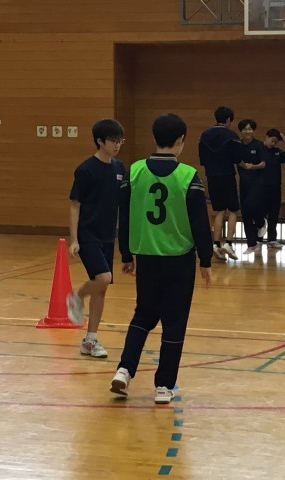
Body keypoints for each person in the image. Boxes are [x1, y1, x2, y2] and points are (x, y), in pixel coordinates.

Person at [112, 113, 213, 403]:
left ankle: (124, 369)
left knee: (143, 314)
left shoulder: (135, 171)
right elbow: (200, 222)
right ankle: (163, 386)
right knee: (174, 321)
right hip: (179, 259)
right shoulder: (188, 176)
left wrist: (126, 253)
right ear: (181, 139)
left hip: (147, 257)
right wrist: (206, 260)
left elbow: (124, 215)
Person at [67, 118, 127, 358]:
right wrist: (74, 239)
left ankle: (90, 341)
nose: (117, 145)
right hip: (88, 235)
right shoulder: (86, 170)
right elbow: (75, 205)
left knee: (101, 289)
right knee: (103, 278)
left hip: (107, 235)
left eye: (120, 140)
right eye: (113, 140)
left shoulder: (120, 168)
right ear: (100, 141)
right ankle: (76, 296)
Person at [199, 106, 241, 261]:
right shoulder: (231, 135)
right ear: (229, 119)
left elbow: (202, 158)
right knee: (234, 210)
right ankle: (228, 243)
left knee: (219, 210)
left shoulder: (205, 135)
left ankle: (216, 244)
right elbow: (237, 158)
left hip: (211, 176)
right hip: (227, 175)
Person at [237, 119, 267, 255]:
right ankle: (251, 244)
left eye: (249, 129)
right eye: (245, 129)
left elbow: (263, 164)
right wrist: (243, 165)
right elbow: (236, 160)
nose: (247, 131)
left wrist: (252, 166)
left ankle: (261, 222)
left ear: (253, 130)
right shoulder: (238, 145)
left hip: (258, 182)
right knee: (245, 213)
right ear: (241, 131)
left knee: (250, 205)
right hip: (244, 182)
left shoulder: (259, 145)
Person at [262, 129, 285, 249]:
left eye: (276, 142)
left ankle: (272, 239)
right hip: (262, 187)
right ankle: (258, 239)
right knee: (260, 213)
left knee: (274, 214)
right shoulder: (260, 150)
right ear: (266, 137)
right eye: (272, 141)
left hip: (275, 187)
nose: (273, 144)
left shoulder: (277, 152)